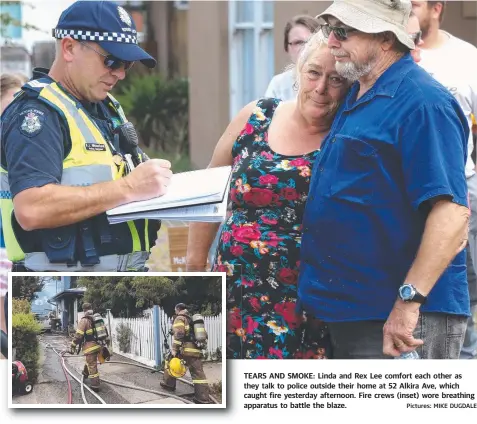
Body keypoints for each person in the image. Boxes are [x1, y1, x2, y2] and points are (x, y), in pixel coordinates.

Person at [298, 0, 470, 359]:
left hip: (400, 317)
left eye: (344, 31)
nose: (331, 41)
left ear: (387, 39)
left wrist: (407, 303)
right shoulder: (359, 89)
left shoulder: (424, 102)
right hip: (352, 310)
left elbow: (451, 216)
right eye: (330, 30)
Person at [187, 31, 349, 359]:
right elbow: (210, 188)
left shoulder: (347, 135)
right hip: (234, 290)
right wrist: (194, 267)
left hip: (304, 303)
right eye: (314, 73)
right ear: (297, 72)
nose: (321, 87)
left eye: (335, 79)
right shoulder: (256, 115)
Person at [0, 0, 172, 272]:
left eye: (126, 64)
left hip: (115, 277)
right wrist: (129, 188)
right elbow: (31, 208)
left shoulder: (104, 106)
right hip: (60, 281)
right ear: (69, 47)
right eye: (111, 60)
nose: (119, 74)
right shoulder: (37, 114)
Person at [411, 0, 477, 359]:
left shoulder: (466, 58)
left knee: (457, 285)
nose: (407, 7)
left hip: (457, 189)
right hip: (403, 193)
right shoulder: (397, 54)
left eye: (415, 3)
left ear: (437, 7)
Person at [160, 303, 211, 404]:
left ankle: (168, 385)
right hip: (196, 351)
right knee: (199, 375)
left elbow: (179, 335)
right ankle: (202, 398)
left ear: (178, 309)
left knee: (170, 362)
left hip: (185, 350)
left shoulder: (180, 318)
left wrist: (174, 349)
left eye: (175, 310)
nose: (175, 312)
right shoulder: (192, 320)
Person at [264, 15, 320, 101]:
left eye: (311, 41)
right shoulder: (278, 84)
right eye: (298, 42)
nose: (306, 47)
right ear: (286, 48)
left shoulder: (332, 81)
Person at [70, 303, 109, 391]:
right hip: (99, 345)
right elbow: (105, 332)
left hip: (90, 347)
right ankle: (85, 373)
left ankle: (95, 385)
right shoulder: (97, 318)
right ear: (91, 309)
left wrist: (73, 344)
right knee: (90, 361)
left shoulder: (84, 320)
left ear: (84, 310)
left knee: (92, 365)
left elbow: (78, 335)